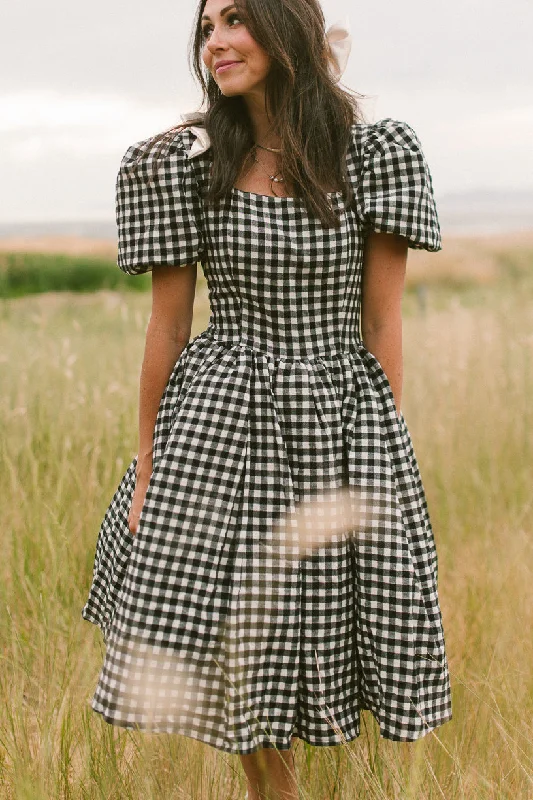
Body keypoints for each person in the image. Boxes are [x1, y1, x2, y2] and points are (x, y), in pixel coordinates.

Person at [82, 0, 452, 797]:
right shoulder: (183, 162)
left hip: (338, 417)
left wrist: (380, 451)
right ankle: (272, 789)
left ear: (288, 30)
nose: (215, 40)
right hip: (221, 418)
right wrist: (148, 466)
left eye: (237, 20)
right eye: (207, 26)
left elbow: (382, 320)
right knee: (235, 627)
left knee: (324, 619)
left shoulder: (373, 155)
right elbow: (168, 326)